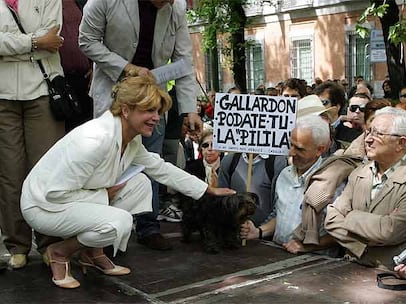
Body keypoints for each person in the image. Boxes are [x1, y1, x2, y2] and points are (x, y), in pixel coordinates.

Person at [20, 75, 235, 289]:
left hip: (71, 198)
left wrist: (206, 189)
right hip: (43, 205)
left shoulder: (130, 139)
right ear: (125, 110)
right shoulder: (95, 140)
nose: (156, 118)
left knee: (141, 185)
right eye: (149, 110)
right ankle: (59, 251)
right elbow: (55, 193)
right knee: (119, 221)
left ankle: (92, 252)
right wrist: (104, 195)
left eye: (158, 112)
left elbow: (159, 168)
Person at [79, 0, 203, 250]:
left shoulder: (176, 7)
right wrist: (126, 68)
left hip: (151, 98)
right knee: (107, 165)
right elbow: (86, 41)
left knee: (152, 162)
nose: (171, 2)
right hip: (113, 94)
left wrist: (189, 109)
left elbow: (183, 59)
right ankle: (102, 234)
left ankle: (149, 227)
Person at [0, 0, 65, 269]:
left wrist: (8, 47)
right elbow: (41, 43)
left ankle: (50, 242)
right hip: (2, 96)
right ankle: (17, 245)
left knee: (46, 171)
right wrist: (33, 44)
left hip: (43, 90)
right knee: (9, 173)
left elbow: (53, 40)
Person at [325, 107, 406, 271]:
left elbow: (389, 230)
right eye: (369, 132)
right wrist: (361, 246)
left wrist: (350, 216)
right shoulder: (360, 172)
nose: (368, 139)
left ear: (401, 143)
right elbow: (331, 219)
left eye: (378, 134)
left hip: (391, 276)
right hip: (351, 268)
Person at [240, 116, 338, 253]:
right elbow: (280, 215)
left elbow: (341, 233)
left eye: (300, 149)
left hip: (314, 263)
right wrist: (258, 232)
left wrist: (307, 246)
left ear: (319, 150)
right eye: (291, 145)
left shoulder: (333, 183)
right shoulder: (284, 174)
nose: (291, 153)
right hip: (277, 255)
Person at [218, 152, 287, 225]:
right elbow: (222, 201)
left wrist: (260, 231)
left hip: (264, 233)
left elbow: (279, 207)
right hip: (233, 231)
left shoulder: (277, 162)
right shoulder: (229, 160)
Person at [60, 0, 93, 132]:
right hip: (58, 82)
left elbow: (95, 35)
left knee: (85, 131)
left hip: (84, 78)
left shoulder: (83, 2)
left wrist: (95, 67)